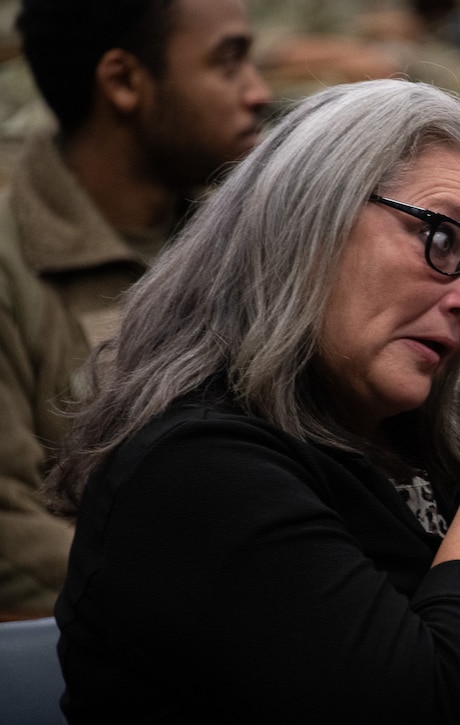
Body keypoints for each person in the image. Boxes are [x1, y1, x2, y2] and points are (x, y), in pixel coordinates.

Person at [42, 78, 460, 723]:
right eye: (443, 240)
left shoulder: (439, 457)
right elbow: (434, 703)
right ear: (308, 222)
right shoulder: (191, 470)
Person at [0, 0, 270, 615]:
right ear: (124, 82)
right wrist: (199, 611)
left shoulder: (253, 243)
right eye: (228, 63)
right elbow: (7, 531)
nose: (258, 92)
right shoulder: (12, 271)